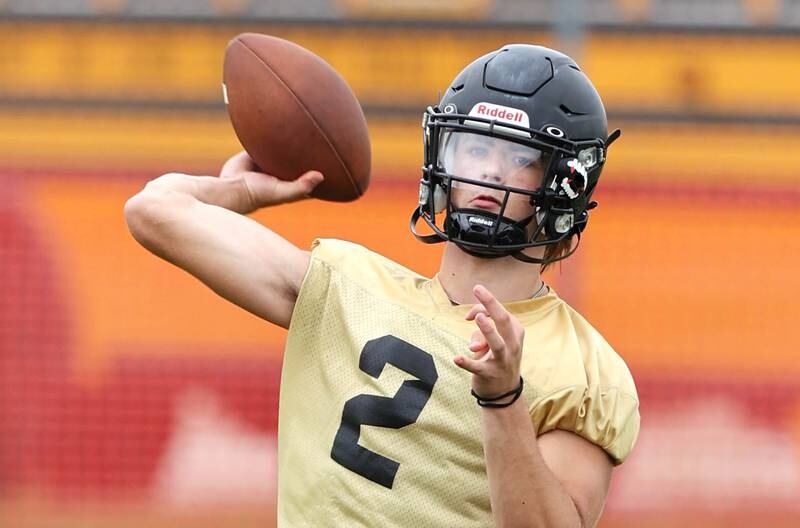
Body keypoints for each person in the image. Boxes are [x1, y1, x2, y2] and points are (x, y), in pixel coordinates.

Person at [125, 44, 639, 527]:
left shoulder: (582, 368)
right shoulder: (344, 287)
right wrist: (241, 189)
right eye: (475, 150)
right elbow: (153, 211)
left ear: (564, 183)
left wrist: (504, 400)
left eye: (520, 159)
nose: (490, 172)